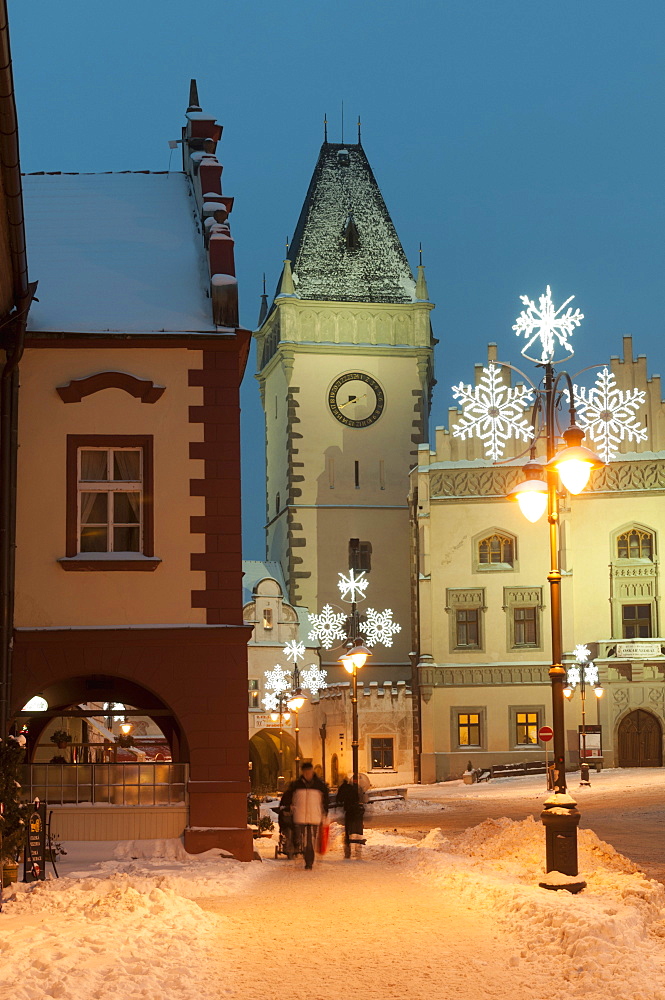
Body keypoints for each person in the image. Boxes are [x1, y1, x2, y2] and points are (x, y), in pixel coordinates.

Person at [290, 761, 329, 869]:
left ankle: (309, 862)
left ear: (312, 771)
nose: (308, 774)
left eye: (310, 772)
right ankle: (303, 854)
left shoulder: (320, 785)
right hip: (300, 816)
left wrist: (324, 812)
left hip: (315, 816)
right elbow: (288, 798)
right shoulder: (296, 785)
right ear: (303, 772)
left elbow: (326, 800)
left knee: (311, 840)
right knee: (302, 839)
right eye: (306, 772)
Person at [336, 776, 366, 858]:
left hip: (349, 809)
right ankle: (357, 844)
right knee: (357, 827)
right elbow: (358, 797)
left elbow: (339, 799)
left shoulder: (343, 788)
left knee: (348, 827)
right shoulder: (353, 788)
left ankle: (348, 845)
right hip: (357, 809)